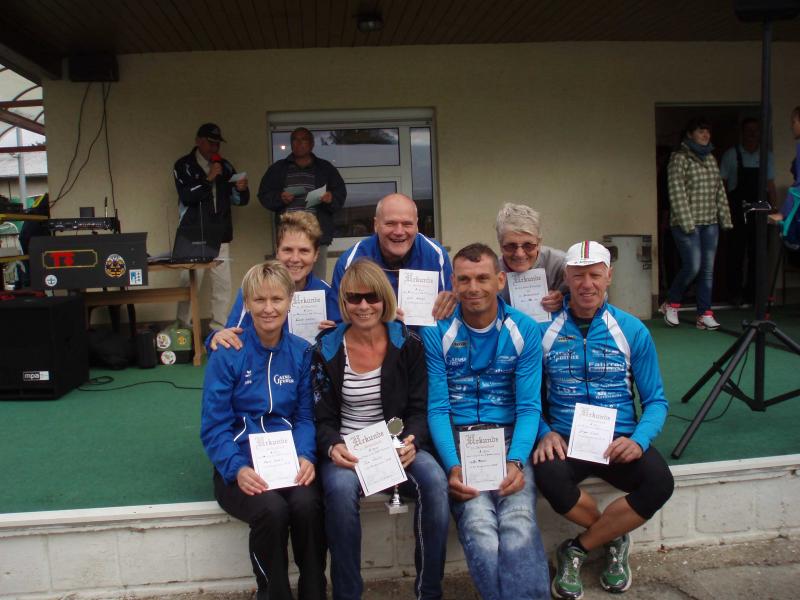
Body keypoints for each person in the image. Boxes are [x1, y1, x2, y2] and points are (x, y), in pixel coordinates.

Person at [533, 241, 674, 600]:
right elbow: (529, 398)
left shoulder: (631, 329)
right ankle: (612, 536)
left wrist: (638, 440)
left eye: (595, 275)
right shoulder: (544, 330)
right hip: (566, 439)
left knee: (659, 483)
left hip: (618, 440)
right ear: (566, 278)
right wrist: (545, 431)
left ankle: (577, 547)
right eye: (578, 276)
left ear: (609, 276)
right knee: (548, 476)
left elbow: (656, 401)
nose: (586, 284)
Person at [313, 259, 450, 600]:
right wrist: (332, 446)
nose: (363, 306)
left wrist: (409, 439)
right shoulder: (326, 348)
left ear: (384, 299)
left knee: (435, 481)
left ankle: (429, 592)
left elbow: (417, 408)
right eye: (354, 298)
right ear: (344, 302)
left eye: (372, 297)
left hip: (394, 443)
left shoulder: (408, 343)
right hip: (347, 448)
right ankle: (347, 594)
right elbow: (321, 417)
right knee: (340, 492)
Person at [422, 243, 550, 600]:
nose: (473, 287)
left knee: (518, 521)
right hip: (459, 439)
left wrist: (516, 460)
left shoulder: (524, 329)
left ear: (500, 280)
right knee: (479, 525)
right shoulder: (437, 330)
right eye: (464, 279)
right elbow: (438, 408)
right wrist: (452, 465)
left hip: (508, 437)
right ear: (453, 282)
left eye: (482, 278)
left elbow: (529, 407)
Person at [200, 261, 326, 600]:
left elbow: (304, 416)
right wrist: (236, 468)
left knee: (308, 505)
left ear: (290, 301)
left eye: (276, 299)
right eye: (259, 300)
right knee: (272, 510)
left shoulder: (301, 352)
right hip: (241, 467)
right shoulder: (228, 353)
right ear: (247, 303)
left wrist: (305, 456)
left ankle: (314, 592)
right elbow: (214, 425)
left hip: (288, 462)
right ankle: (272, 593)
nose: (268, 308)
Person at [208, 211, 341, 351]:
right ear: (277, 251)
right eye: (288, 250)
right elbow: (230, 340)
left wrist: (334, 334)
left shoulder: (326, 293)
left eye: (304, 251)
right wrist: (217, 337)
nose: (295, 259)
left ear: (316, 255)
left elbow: (343, 343)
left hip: (310, 363)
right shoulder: (254, 289)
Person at [331, 193, 457, 321]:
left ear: (417, 225)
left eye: (407, 224)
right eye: (390, 223)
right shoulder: (350, 262)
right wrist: (378, 322)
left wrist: (451, 302)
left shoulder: (435, 255)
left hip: (426, 332)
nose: (399, 232)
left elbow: (450, 315)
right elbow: (338, 321)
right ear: (376, 225)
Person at [173, 123, 249, 330]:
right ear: (198, 141)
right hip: (192, 234)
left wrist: (241, 189)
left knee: (222, 285)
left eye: (217, 144)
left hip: (220, 234)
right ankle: (183, 329)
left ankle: (219, 328)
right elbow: (187, 195)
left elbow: (239, 201)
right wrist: (208, 178)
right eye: (210, 142)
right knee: (189, 283)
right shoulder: (184, 165)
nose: (214, 147)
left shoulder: (225, 166)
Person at [661, 116, 733, 330]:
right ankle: (672, 302)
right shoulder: (679, 158)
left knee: (707, 270)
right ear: (690, 134)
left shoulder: (711, 158)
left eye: (707, 131)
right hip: (686, 223)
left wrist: (725, 219)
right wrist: (687, 223)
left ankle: (704, 314)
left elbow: (719, 190)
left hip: (710, 222)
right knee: (693, 266)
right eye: (701, 131)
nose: (705, 135)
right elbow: (676, 191)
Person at [258, 127, 347, 280]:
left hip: (316, 233)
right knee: (287, 279)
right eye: (295, 140)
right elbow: (264, 195)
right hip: (288, 233)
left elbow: (340, 194)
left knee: (316, 279)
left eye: (303, 140)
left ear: (312, 144)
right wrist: (280, 198)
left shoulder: (325, 168)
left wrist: (330, 198)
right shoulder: (278, 168)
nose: (299, 143)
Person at [719, 118, 777, 305]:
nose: (752, 134)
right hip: (737, 210)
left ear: (760, 133)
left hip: (759, 210)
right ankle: (734, 294)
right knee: (735, 253)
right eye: (749, 130)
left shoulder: (766, 155)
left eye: (756, 130)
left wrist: (774, 209)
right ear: (742, 133)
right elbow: (722, 185)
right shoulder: (731, 155)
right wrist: (724, 210)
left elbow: (770, 185)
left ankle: (754, 295)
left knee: (757, 254)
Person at [495, 202, 567, 312]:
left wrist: (565, 299)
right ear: (500, 245)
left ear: (539, 243)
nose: (520, 254)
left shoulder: (561, 264)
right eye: (511, 246)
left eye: (528, 245)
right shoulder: (492, 272)